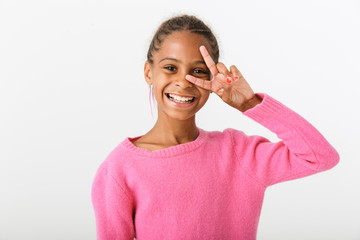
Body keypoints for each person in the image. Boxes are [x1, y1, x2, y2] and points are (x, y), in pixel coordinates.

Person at [91, 14, 339, 240]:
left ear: (210, 79)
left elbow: (320, 157)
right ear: (148, 72)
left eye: (197, 71)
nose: (183, 81)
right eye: (170, 68)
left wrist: (250, 103)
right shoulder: (119, 169)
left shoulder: (238, 153)